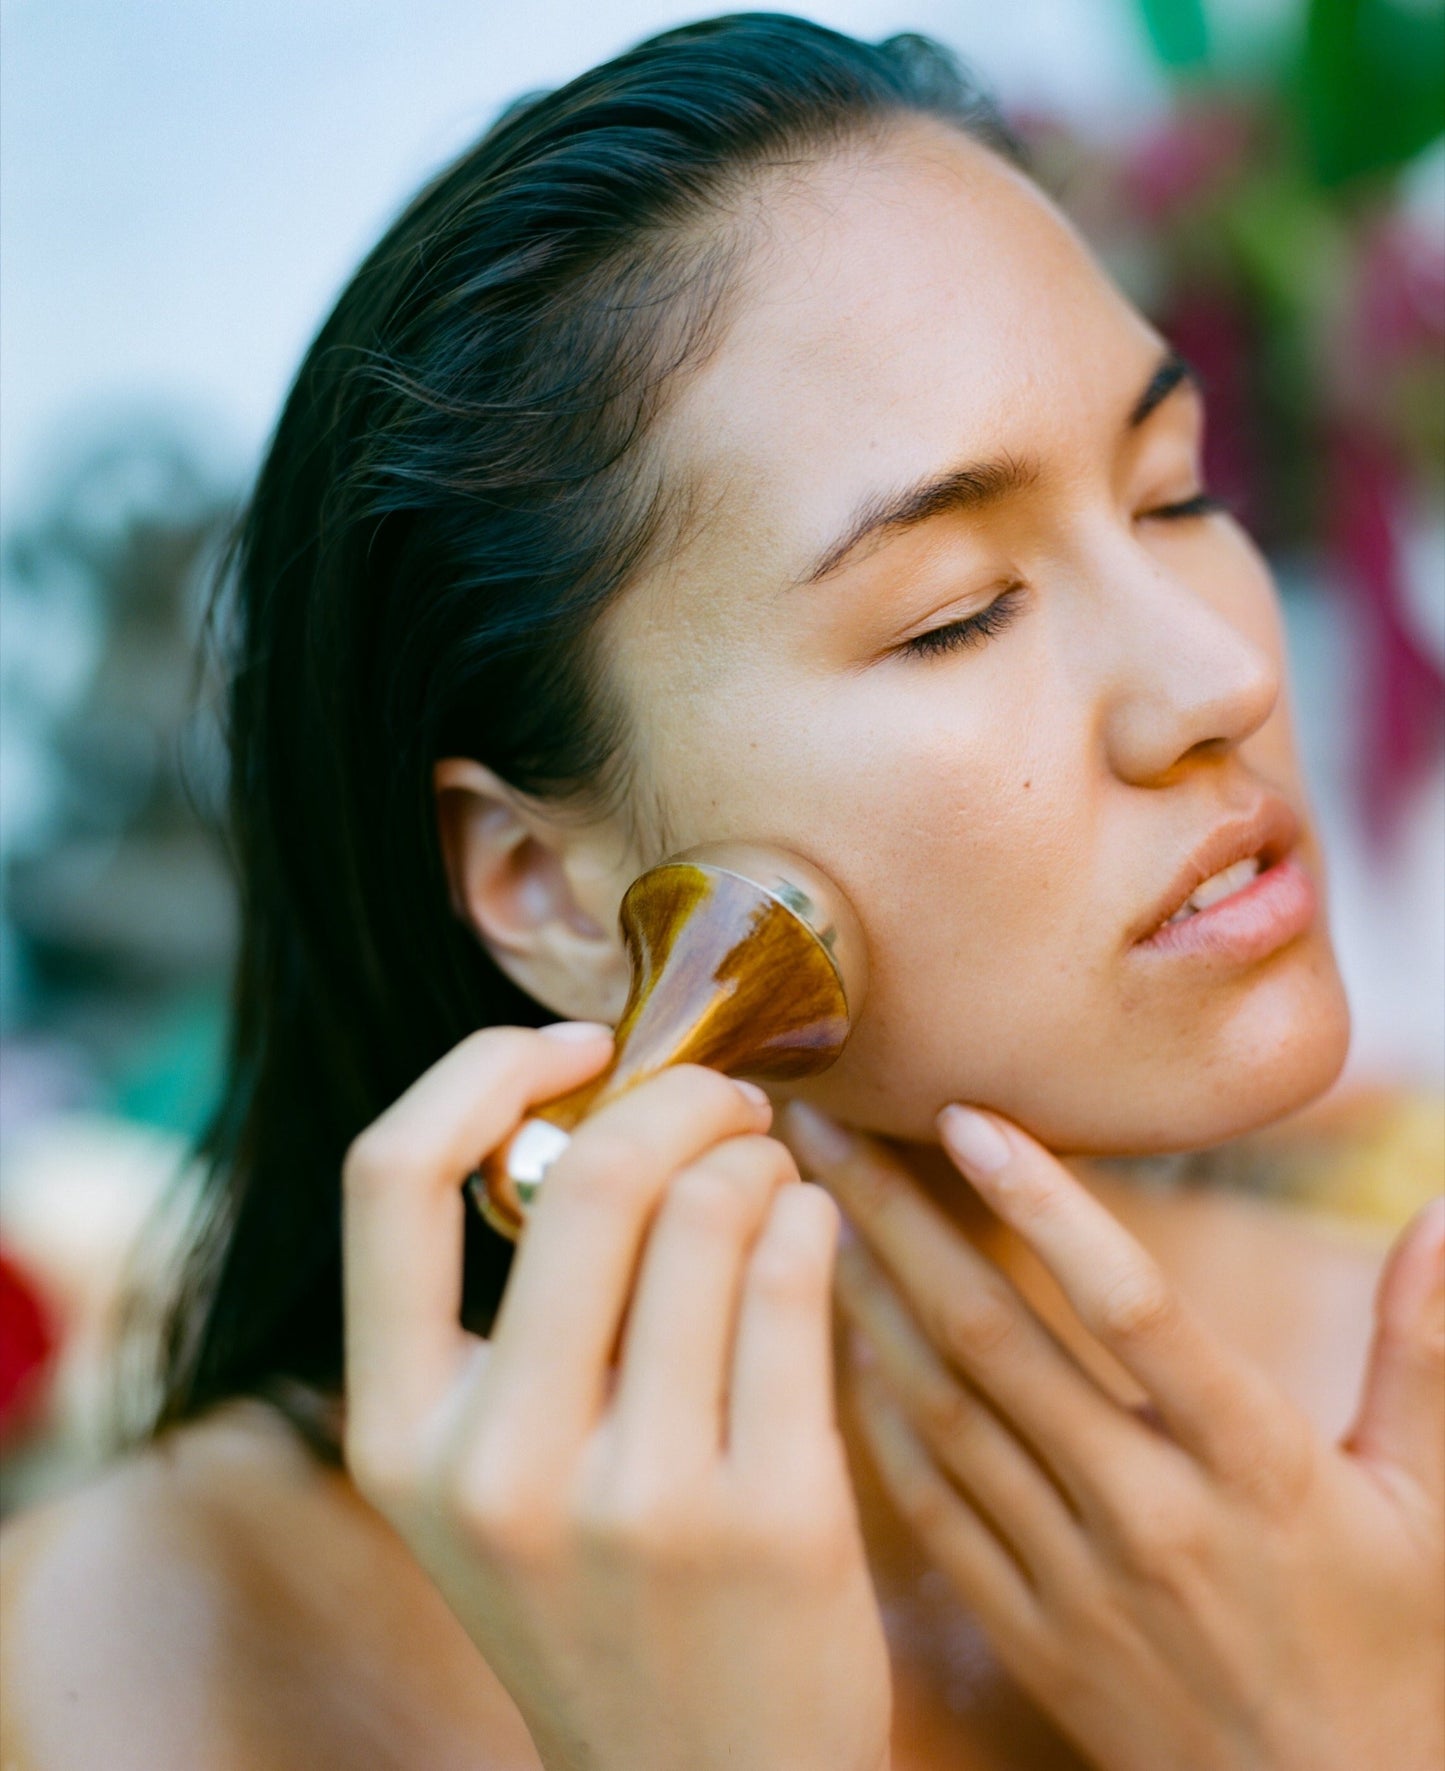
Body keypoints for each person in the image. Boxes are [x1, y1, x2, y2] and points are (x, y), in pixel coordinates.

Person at [1, 15, 1440, 1768]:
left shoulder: (1399, 1379)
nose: (1216, 673)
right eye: (953, 614)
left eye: (1173, 491)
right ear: (542, 880)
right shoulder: (146, 1651)